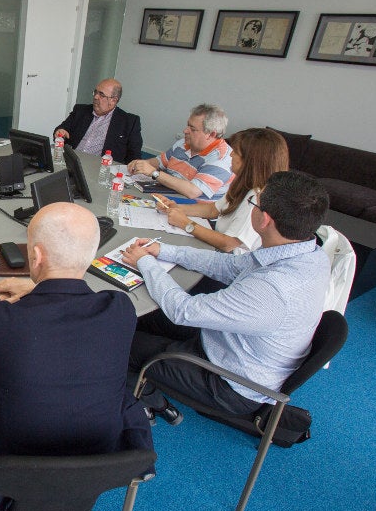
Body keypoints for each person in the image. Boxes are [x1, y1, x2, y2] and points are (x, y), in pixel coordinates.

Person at [0, 202, 154, 511]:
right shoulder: (120, 310)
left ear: (36, 256)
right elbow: (78, 302)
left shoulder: (0, 322)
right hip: (99, 462)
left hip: (12, 467)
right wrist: (42, 287)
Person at [121, 171, 331, 425]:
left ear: (264, 220)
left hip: (228, 383)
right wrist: (163, 251)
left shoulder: (272, 289)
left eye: (254, 203)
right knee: (144, 318)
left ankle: (152, 405)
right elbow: (229, 265)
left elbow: (183, 311)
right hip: (233, 344)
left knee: (114, 343)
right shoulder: (307, 252)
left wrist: (145, 262)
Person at [153, 127, 289, 254]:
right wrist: (176, 207)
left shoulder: (257, 198)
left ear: (249, 162)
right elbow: (213, 210)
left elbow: (228, 244)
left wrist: (185, 223)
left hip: (228, 261)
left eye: (235, 152)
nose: (230, 155)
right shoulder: (244, 184)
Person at [128, 103, 232, 200]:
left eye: (193, 129)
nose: (185, 131)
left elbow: (192, 191)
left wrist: (153, 173)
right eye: (188, 125)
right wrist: (143, 164)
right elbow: (160, 162)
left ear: (211, 134)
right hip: (165, 198)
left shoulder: (221, 159)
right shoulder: (183, 143)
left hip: (193, 212)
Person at [54, 78, 142, 163]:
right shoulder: (81, 111)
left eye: (101, 95)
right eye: (95, 92)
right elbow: (62, 128)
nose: (96, 97)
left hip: (100, 170)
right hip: (71, 162)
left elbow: (134, 158)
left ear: (113, 100)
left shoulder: (129, 122)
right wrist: (60, 131)